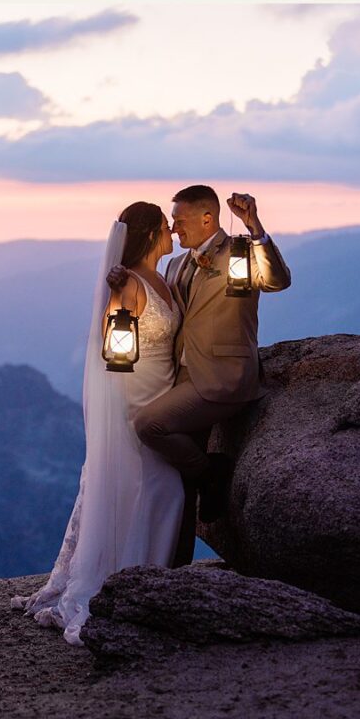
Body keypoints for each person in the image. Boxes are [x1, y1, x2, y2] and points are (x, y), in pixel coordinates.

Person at [11, 201, 184, 645]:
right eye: (165, 226)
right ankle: (128, 581)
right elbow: (113, 344)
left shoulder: (163, 277)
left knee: (156, 485)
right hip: (134, 393)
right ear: (148, 235)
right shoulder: (125, 284)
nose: (171, 232)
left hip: (164, 390)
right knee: (159, 484)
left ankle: (147, 576)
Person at [131, 187, 290, 567]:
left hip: (224, 377)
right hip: (183, 376)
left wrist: (255, 229)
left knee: (149, 425)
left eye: (179, 220)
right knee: (179, 481)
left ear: (207, 219)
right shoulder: (176, 265)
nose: (173, 227)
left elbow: (277, 280)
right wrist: (128, 275)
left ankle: (213, 472)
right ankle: (176, 566)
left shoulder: (240, 252)